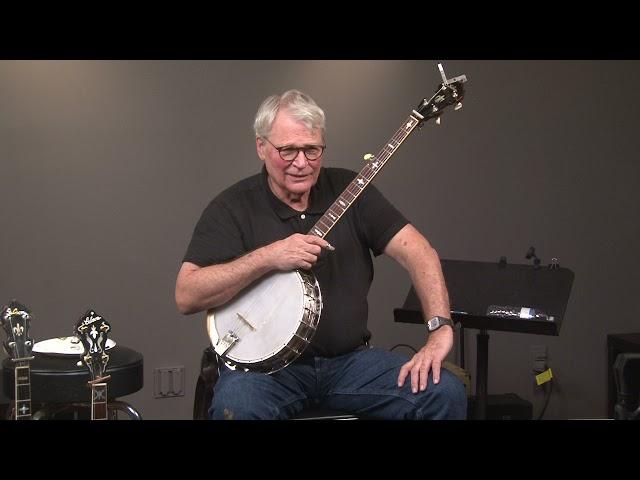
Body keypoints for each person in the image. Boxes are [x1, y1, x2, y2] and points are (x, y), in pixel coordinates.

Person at [175, 89, 467, 420]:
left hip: (351, 364)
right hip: (263, 374)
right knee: (238, 407)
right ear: (261, 147)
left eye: (311, 150)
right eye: (288, 151)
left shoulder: (351, 190)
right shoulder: (232, 207)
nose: (301, 163)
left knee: (444, 393)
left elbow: (420, 253)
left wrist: (440, 329)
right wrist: (270, 256)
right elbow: (187, 295)